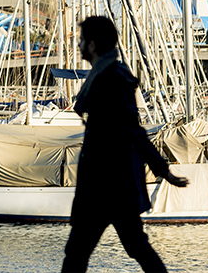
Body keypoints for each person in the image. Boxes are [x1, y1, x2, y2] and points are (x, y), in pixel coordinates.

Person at [62, 16, 189, 273]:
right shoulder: (107, 76)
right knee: (132, 246)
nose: (79, 45)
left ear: (94, 45)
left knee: (78, 254)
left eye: (82, 40)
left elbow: (133, 131)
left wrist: (163, 171)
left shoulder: (111, 79)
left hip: (106, 184)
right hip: (115, 184)